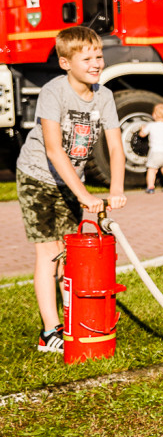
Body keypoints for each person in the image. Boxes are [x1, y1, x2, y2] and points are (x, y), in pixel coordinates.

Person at [16, 26, 127, 354]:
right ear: (65, 63)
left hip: (69, 182)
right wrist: (85, 196)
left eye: (100, 56)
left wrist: (117, 188)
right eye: (87, 58)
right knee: (49, 253)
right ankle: (49, 331)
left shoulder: (104, 96)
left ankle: (75, 316)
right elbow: (53, 150)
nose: (96, 63)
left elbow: (116, 148)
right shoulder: (54, 92)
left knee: (70, 256)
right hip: (38, 179)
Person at [138, 103, 163, 194]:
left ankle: (151, 187)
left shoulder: (151, 125)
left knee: (152, 170)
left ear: (153, 115)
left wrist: (142, 129)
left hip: (155, 151)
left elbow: (142, 135)